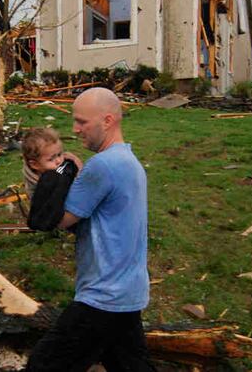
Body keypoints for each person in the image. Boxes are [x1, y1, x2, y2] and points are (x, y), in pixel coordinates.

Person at [27, 88, 154, 372]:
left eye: (82, 122)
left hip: (103, 296)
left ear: (107, 120)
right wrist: (68, 172)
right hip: (127, 290)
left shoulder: (103, 166)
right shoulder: (128, 161)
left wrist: (52, 175)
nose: (75, 129)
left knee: (44, 364)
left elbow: (55, 220)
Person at [21, 127, 80, 231]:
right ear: (35, 165)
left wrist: (77, 166)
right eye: (51, 159)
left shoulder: (63, 165)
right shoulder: (39, 185)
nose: (58, 160)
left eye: (59, 154)